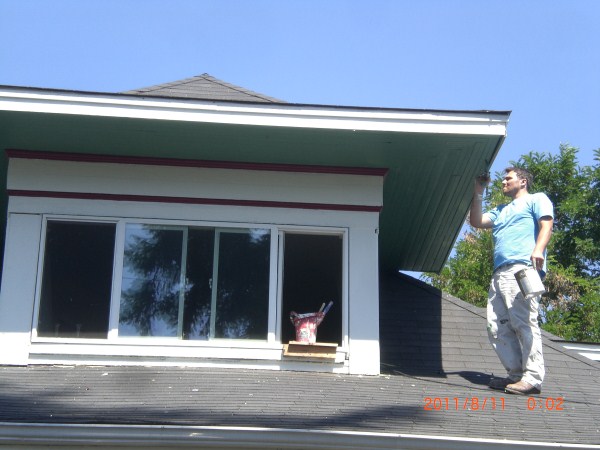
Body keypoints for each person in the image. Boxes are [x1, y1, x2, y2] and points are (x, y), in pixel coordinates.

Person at [470, 167, 554, 395]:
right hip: (499, 273)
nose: (503, 182)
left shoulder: (537, 199)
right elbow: (476, 221)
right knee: (496, 326)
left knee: (524, 321)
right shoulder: (501, 210)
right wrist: (479, 190)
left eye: (508, 178)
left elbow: (547, 225)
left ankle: (532, 378)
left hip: (522, 269)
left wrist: (538, 249)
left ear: (523, 181)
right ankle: (516, 375)